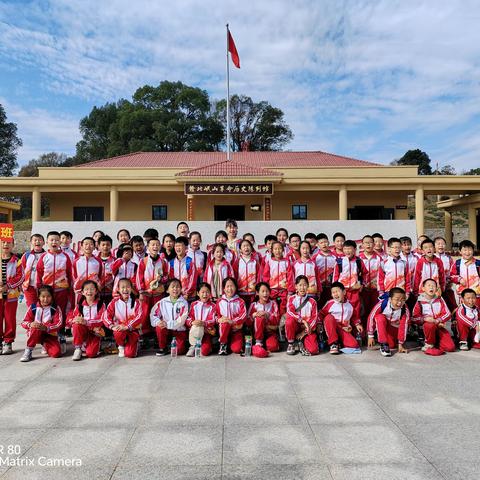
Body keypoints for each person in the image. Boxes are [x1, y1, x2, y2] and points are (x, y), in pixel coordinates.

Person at [36, 231, 73, 352]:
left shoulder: (65, 257)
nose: (54, 242)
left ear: (60, 242)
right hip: (47, 291)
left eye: (56, 240)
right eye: (51, 240)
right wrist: (39, 289)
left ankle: (61, 335)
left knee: (61, 312)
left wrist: (69, 288)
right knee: (48, 314)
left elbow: (69, 273)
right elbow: (39, 273)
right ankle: (47, 339)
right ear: (47, 242)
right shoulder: (44, 257)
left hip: (61, 290)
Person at [412, 278, 455, 355]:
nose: (431, 287)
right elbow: (414, 318)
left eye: (433, 286)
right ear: (423, 288)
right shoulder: (419, 301)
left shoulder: (440, 300)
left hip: (439, 326)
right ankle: (429, 343)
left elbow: (447, 314)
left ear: (436, 289)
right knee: (429, 325)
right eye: (428, 285)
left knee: (450, 347)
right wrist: (424, 319)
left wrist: (437, 320)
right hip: (427, 328)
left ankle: (436, 341)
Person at [20, 285, 62, 361]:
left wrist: (46, 328)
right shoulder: (33, 307)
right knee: (36, 326)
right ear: (38, 296)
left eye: (48, 296)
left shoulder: (55, 308)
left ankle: (45, 344)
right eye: (43, 296)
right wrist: (30, 324)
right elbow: (23, 322)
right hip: (35, 333)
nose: (45, 299)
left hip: (50, 334)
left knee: (56, 353)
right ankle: (28, 350)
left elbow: (59, 323)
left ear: (52, 296)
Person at [103, 278, 143, 358]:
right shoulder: (114, 302)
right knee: (118, 332)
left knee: (130, 354)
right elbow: (106, 316)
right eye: (122, 287)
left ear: (131, 288)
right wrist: (112, 326)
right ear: (118, 289)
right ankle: (121, 346)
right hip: (120, 329)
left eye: (128, 287)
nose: (125, 289)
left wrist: (127, 326)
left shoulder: (136, 302)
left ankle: (135, 343)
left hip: (132, 330)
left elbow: (139, 317)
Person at [319, 281, 362, 354]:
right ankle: (333, 344)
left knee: (354, 345)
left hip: (343, 329)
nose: (335, 294)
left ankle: (338, 343)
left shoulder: (350, 305)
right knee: (329, 318)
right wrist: (319, 324)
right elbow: (321, 314)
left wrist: (357, 324)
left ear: (344, 292)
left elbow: (354, 317)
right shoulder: (330, 303)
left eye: (337, 291)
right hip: (332, 328)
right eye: (333, 292)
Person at [67, 280, 106, 360]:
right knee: (76, 324)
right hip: (84, 331)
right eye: (86, 289)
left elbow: (102, 320)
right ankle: (78, 349)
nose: (89, 291)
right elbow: (70, 320)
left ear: (96, 291)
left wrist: (86, 322)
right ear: (82, 292)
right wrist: (75, 320)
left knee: (91, 354)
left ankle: (95, 345)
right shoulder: (79, 306)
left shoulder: (101, 304)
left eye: (92, 289)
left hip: (95, 332)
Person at [150, 278, 189, 356]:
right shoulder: (162, 302)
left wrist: (167, 324)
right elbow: (153, 315)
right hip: (166, 329)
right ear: (167, 290)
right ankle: (163, 348)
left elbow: (182, 320)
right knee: (159, 327)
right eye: (173, 287)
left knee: (179, 351)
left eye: (178, 287)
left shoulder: (184, 303)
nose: (175, 289)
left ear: (181, 289)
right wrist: (159, 322)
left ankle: (182, 344)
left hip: (179, 330)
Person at [137, 238, 168, 335]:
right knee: (144, 314)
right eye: (152, 245)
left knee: (157, 314)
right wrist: (141, 291)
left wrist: (162, 279)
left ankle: (156, 334)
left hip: (158, 293)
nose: (155, 247)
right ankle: (144, 335)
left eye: (157, 245)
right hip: (146, 293)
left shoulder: (163, 262)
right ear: (148, 247)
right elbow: (139, 277)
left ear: (160, 247)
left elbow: (167, 276)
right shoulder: (143, 261)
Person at [367, 287, 409, 356]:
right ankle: (383, 344)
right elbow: (371, 317)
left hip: (394, 328)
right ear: (390, 299)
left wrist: (400, 343)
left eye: (403, 300)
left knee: (392, 345)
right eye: (397, 299)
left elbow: (404, 327)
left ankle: (386, 340)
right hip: (384, 325)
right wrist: (370, 335)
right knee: (379, 318)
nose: (399, 302)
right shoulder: (382, 304)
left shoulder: (405, 309)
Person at [332, 239, 366, 322]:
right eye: (345, 249)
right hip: (342, 291)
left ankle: (356, 330)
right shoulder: (339, 262)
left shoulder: (358, 261)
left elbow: (365, 273)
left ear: (355, 250)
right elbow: (335, 277)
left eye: (349, 249)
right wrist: (335, 291)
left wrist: (362, 284)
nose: (347, 251)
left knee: (355, 310)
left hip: (354, 291)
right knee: (342, 310)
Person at [285, 275, 319, 356]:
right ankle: (291, 343)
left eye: (304, 285)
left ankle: (302, 341)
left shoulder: (312, 301)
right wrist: (302, 320)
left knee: (313, 350)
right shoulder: (291, 299)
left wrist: (304, 332)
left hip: (307, 329)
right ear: (296, 286)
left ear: (308, 286)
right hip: (295, 326)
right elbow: (290, 312)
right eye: (300, 285)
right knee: (289, 321)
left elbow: (314, 318)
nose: (302, 288)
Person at [0, 239, 23, 355]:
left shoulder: (17, 261)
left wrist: (8, 286)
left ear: (13, 245)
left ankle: (8, 342)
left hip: (11, 296)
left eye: (8, 243)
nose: (5, 245)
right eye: (3, 242)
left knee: (10, 319)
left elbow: (21, 277)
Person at [262, 241, 294, 317]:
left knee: (283, 308)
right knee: (272, 308)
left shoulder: (286, 262)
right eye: (275, 249)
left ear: (283, 250)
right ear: (272, 250)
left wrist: (290, 291)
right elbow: (265, 276)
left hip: (284, 290)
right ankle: (273, 323)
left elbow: (290, 276)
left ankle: (282, 324)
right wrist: (266, 289)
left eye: (279, 248)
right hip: (272, 290)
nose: (277, 251)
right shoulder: (269, 262)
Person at [216, 277, 247, 355]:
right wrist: (219, 319)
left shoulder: (240, 301)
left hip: (236, 329)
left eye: (232, 286)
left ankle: (232, 342)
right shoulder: (219, 301)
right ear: (224, 288)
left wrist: (233, 321)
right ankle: (223, 344)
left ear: (236, 287)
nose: (230, 289)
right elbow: (216, 315)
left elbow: (243, 316)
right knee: (225, 323)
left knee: (237, 349)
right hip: (224, 329)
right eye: (227, 286)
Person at [248, 282, 280, 357]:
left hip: (270, 331)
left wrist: (267, 314)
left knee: (273, 347)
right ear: (257, 293)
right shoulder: (254, 305)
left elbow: (277, 319)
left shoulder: (273, 304)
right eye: (262, 291)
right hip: (257, 333)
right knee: (259, 317)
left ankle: (265, 344)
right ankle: (258, 342)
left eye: (267, 291)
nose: (265, 294)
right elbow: (247, 321)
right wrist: (254, 315)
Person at [185, 282, 217, 357]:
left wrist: (204, 323)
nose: (205, 295)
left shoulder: (213, 305)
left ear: (210, 294)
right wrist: (192, 322)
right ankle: (193, 346)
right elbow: (188, 318)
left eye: (207, 292)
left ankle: (208, 346)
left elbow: (213, 320)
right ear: (198, 293)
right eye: (202, 292)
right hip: (195, 331)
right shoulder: (194, 304)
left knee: (204, 352)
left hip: (206, 332)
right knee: (197, 327)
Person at [449, 240, 480, 307]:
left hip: (477, 294)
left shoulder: (478, 263)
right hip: (462, 294)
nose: (467, 252)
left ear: (473, 251)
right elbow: (451, 276)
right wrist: (459, 279)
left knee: (477, 311)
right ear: (460, 251)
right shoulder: (457, 264)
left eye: (469, 250)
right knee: (465, 312)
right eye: (465, 250)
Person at [359, 235, 381, 327]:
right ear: (362, 245)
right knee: (363, 311)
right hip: (363, 290)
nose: (368, 245)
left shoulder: (379, 258)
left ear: (374, 244)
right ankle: (363, 331)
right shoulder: (358, 258)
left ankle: (373, 330)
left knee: (375, 311)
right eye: (366, 243)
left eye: (370, 242)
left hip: (376, 290)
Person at [232, 239, 262, 308]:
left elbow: (258, 276)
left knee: (252, 310)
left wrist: (258, 290)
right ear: (240, 249)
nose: (246, 248)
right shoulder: (237, 261)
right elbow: (234, 276)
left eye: (248, 246)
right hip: (240, 292)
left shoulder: (255, 261)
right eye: (244, 246)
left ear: (251, 248)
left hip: (253, 293)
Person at [168, 237, 198, 302]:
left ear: (186, 248)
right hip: (175, 294)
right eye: (176, 246)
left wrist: (187, 293)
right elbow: (171, 279)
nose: (178, 248)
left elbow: (193, 280)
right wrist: (174, 291)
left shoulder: (190, 262)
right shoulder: (171, 263)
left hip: (188, 296)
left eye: (180, 246)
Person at [21, 233, 45, 308]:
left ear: (44, 242)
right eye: (35, 240)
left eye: (40, 240)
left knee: (43, 307)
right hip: (29, 287)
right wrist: (21, 285)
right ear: (31, 242)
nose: (37, 242)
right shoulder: (26, 255)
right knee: (32, 308)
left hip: (43, 287)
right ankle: (32, 320)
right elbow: (21, 270)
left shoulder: (47, 255)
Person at [314, 233, 336, 307]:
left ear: (329, 242)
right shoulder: (315, 257)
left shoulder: (335, 256)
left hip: (331, 287)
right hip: (320, 288)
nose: (324, 244)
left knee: (331, 306)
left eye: (325, 242)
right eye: (321, 243)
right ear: (318, 244)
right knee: (319, 306)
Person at [97, 235, 115, 306]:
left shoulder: (115, 261)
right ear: (98, 246)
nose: (105, 247)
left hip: (111, 294)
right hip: (96, 294)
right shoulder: (94, 260)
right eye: (103, 245)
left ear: (111, 246)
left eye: (108, 245)